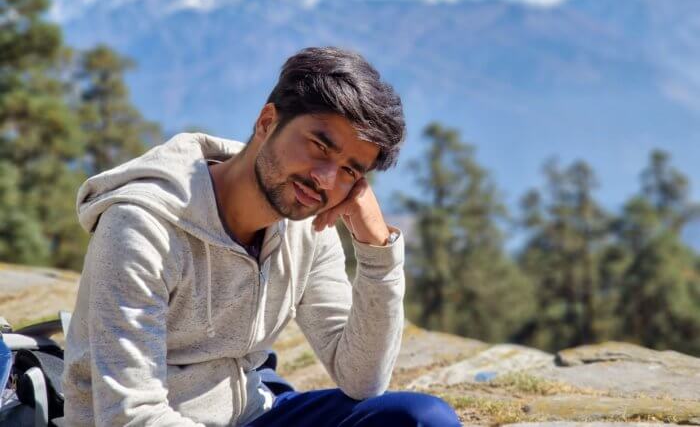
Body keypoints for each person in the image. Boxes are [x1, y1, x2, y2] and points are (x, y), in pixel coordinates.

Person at [62, 47, 461, 426]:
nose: (324, 179)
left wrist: (377, 248)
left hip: (253, 414)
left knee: (422, 419)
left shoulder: (308, 226)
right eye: (319, 146)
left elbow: (362, 379)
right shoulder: (140, 226)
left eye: (349, 171)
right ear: (267, 122)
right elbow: (129, 415)